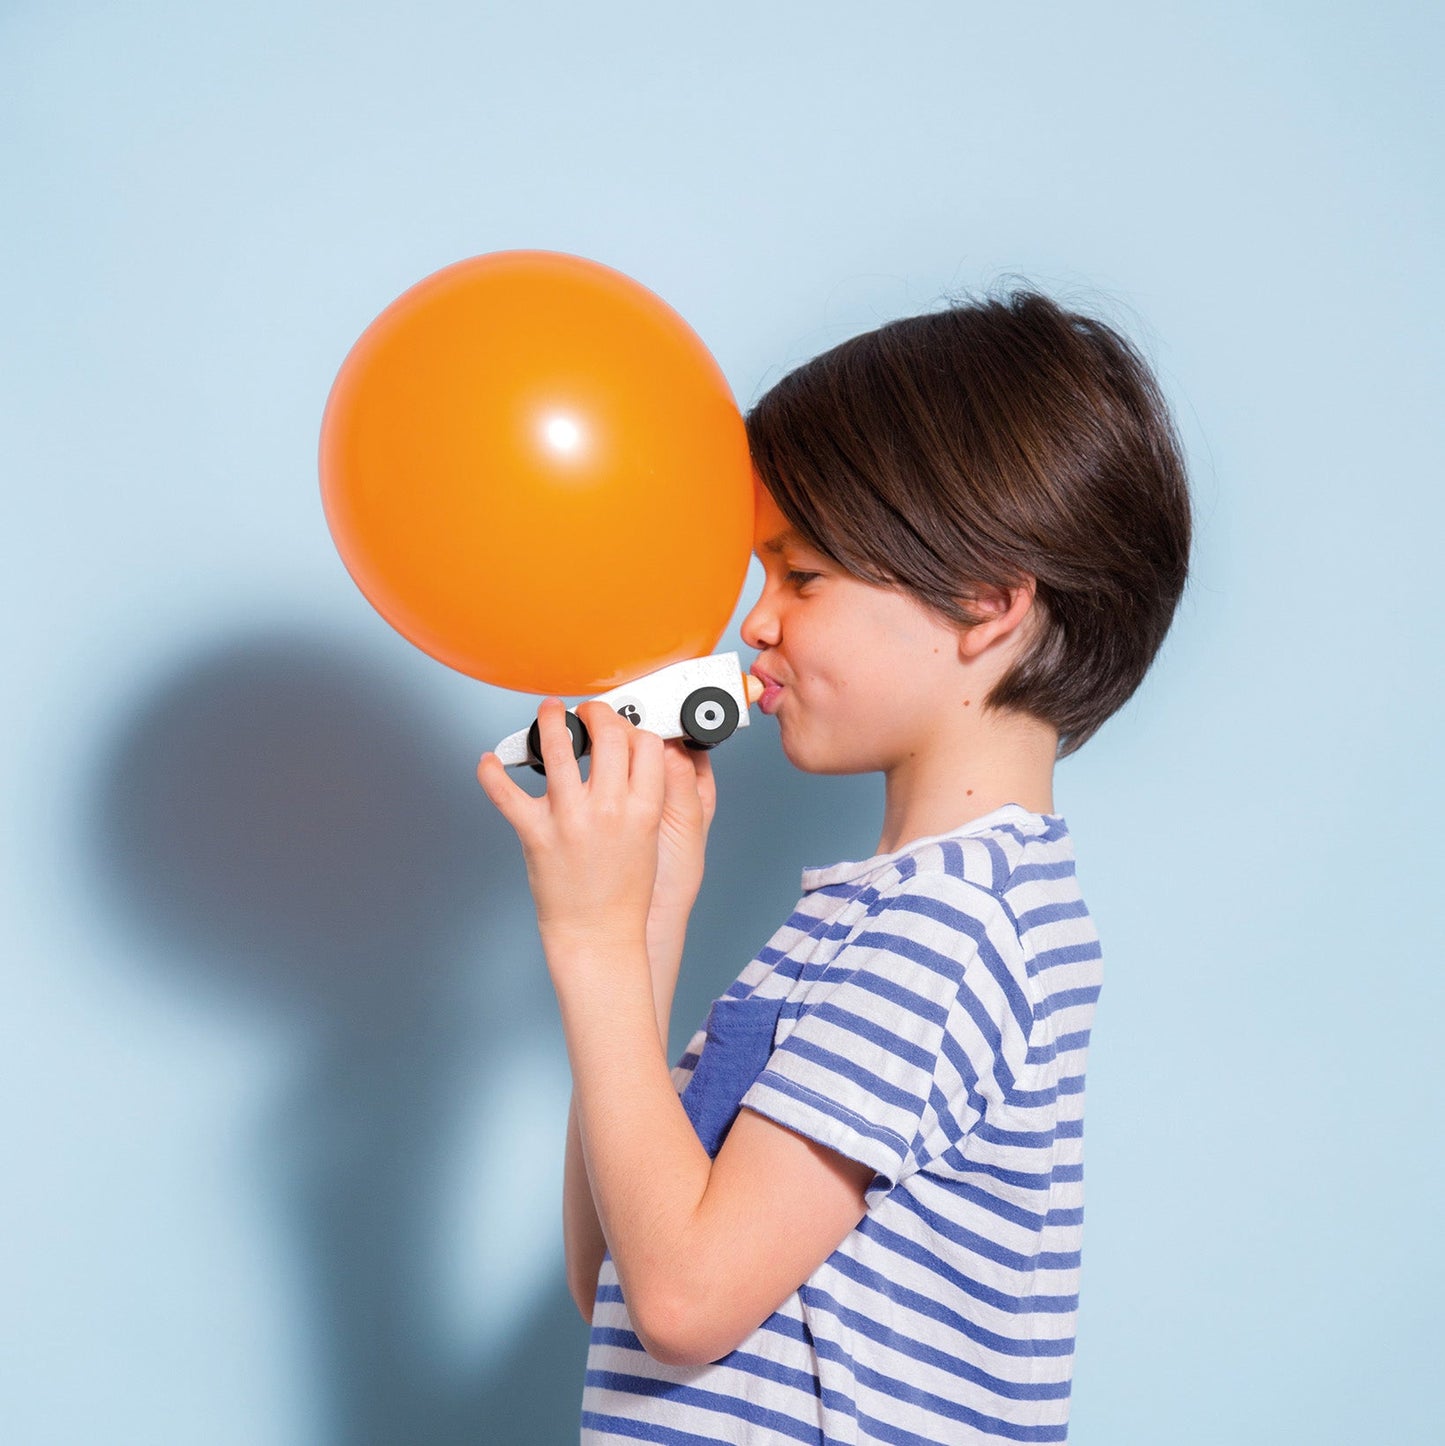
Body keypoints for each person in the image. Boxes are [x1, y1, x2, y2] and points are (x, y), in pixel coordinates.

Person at [476, 283, 1193, 1443]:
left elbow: (681, 1302)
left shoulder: (948, 929)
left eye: (800, 576)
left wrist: (589, 939)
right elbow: (609, 1272)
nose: (754, 623)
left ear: (984, 604)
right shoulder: (875, 919)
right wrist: (649, 915)